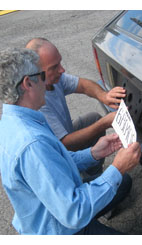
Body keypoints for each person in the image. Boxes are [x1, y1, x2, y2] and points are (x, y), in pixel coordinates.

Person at [0, 47, 141, 235]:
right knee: (117, 178)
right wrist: (118, 168)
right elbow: (73, 212)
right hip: (61, 228)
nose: (46, 82)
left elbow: (56, 161)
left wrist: (93, 153)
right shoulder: (31, 143)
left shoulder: (13, 121)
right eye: (42, 76)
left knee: (122, 182)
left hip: (55, 211)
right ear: (28, 83)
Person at [25, 38, 126, 181]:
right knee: (123, 183)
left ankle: (92, 173)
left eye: (59, 62)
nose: (62, 69)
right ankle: (88, 182)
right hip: (58, 153)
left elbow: (83, 85)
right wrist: (105, 123)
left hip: (63, 139)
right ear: (36, 73)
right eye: (54, 67)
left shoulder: (54, 79)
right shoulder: (37, 103)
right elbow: (65, 142)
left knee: (93, 119)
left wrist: (104, 96)